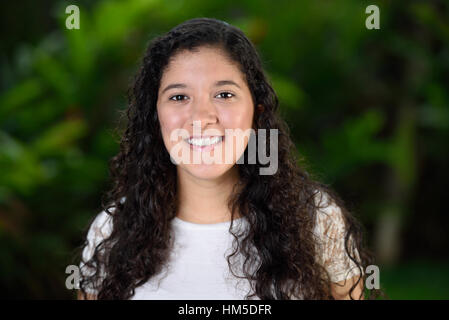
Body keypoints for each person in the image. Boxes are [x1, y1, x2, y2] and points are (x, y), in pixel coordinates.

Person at [77, 17, 379, 300]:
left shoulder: (315, 220)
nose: (202, 117)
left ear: (256, 111)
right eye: (179, 97)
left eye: (224, 94)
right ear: (155, 117)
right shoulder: (113, 230)